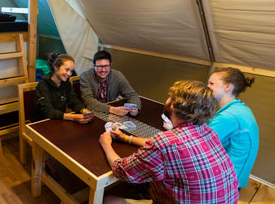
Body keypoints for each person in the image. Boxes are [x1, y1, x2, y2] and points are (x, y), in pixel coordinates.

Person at [99, 80, 239, 204]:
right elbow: (169, 147)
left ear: (173, 104)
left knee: (109, 200)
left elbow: (122, 171)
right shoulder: (209, 132)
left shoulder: (164, 143)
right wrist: (127, 138)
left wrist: (106, 144)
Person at [207, 67, 259, 189]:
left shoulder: (229, 116)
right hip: (236, 175)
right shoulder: (240, 108)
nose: (207, 86)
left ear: (227, 87)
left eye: (212, 83)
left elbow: (202, 143)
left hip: (228, 180)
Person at [33, 54, 94, 123]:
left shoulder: (66, 83)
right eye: (67, 69)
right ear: (56, 67)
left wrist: (84, 111)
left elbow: (73, 101)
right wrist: (73, 117)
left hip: (59, 120)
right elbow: (48, 112)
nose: (69, 74)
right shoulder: (43, 85)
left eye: (71, 71)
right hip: (42, 122)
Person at [80, 50, 141, 116]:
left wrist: (136, 108)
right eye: (99, 66)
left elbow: (132, 95)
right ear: (94, 66)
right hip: (92, 111)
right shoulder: (85, 76)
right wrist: (113, 110)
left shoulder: (117, 75)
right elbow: (88, 101)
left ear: (110, 65)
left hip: (110, 112)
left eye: (106, 66)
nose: (103, 70)